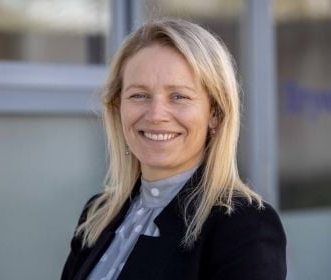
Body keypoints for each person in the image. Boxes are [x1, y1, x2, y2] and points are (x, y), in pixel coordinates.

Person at [61, 18, 287, 280]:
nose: (156, 115)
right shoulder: (98, 214)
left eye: (179, 96)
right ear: (117, 106)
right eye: (139, 95)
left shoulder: (245, 227)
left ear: (214, 112)